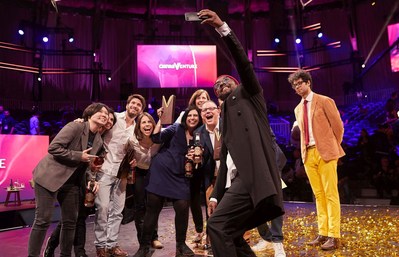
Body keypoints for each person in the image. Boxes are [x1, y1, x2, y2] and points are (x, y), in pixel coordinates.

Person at [198, 9, 285, 257]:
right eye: (216, 86)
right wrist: (215, 196)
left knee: (216, 227)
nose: (220, 85)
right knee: (231, 233)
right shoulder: (225, 119)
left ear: (237, 84)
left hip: (253, 179)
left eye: (226, 81)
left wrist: (222, 28)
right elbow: (225, 162)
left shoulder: (250, 97)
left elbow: (243, 63)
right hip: (237, 182)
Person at [27, 103, 109, 257]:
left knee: (71, 222)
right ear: (90, 114)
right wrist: (79, 155)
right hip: (49, 177)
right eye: (100, 112)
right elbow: (54, 148)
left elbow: (90, 164)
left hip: (72, 183)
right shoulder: (75, 127)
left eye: (107, 113)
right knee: (43, 220)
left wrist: (92, 180)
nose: (104, 115)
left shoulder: (98, 139)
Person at [133, 105, 203, 257]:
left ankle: (181, 245)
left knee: (183, 207)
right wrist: (160, 120)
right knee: (153, 209)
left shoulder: (201, 134)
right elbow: (156, 138)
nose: (192, 118)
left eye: (195, 116)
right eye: (190, 115)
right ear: (185, 117)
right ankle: (144, 246)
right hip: (162, 170)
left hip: (181, 174)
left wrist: (197, 158)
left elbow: (203, 158)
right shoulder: (176, 128)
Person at [288, 69, 345, 250]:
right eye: (294, 85)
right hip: (308, 154)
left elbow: (338, 127)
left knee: (330, 194)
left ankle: (334, 236)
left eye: (299, 83)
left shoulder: (324, 101)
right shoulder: (297, 109)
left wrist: (332, 146)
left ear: (308, 83)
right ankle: (323, 232)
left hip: (325, 152)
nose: (297, 87)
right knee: (318, 195)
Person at [94, 94, 146, 257]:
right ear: (127, 104)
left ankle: (111, 244)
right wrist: (80, 121)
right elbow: (95, 124)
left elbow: (138, 151)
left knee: (117, 211)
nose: (135, 106)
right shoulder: (114, 118)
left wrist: (135, 161)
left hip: (122, 174)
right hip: (104, 169)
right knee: (102, 208)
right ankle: (100, 245)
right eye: (133, 103)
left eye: (138, 105)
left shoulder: (137, 128)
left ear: (141, 109)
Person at [125, 112, 162, 248]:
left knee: (153, 205)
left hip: (154, 172)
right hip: (138, 172)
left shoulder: (159, 138)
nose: (147, 125)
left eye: (149, 122)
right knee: (140, 206)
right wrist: (130, 162)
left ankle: (154, 237)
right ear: (138, 126)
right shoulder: (132, 140)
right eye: (143, 123)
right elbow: (125, 158)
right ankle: (143, 240)